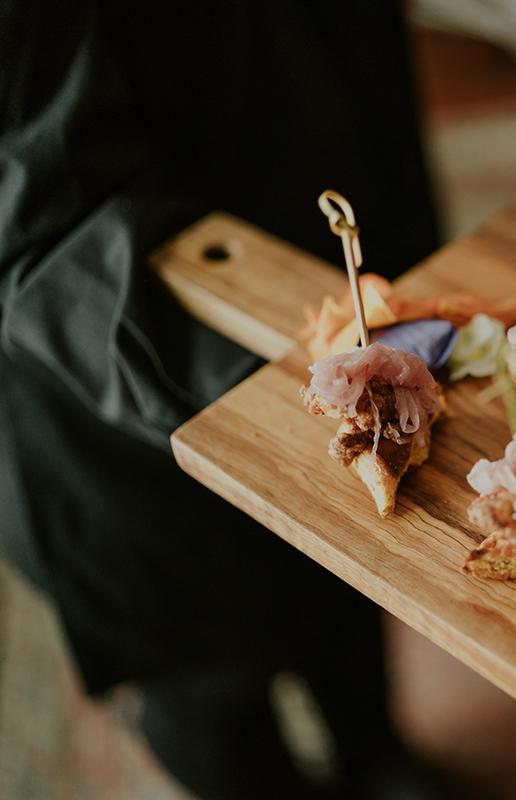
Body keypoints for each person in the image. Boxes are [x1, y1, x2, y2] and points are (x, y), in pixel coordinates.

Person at [0, 1, 444, 797]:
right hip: (118, 404)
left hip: (328, 227)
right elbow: (38, 220)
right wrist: (300, 389)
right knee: (214, 696)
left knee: (350, 607)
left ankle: (380, 759)